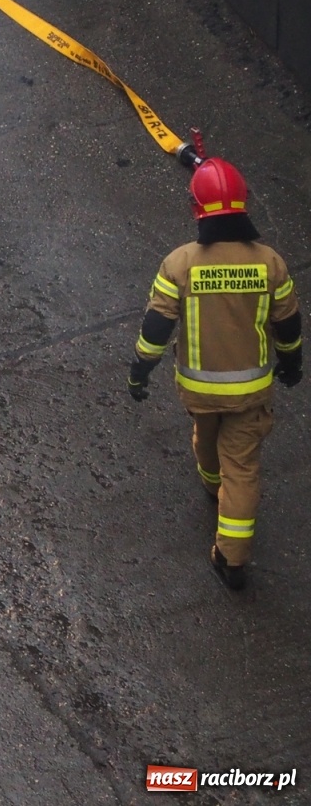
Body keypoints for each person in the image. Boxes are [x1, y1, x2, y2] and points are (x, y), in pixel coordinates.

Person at [128, 157, 301, 590]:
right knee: (241, 468)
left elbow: (156, 328)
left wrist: (139, 372)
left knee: (206, 436)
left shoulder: (180, 263)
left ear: (196, 209)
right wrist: (292, 363)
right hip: (252, 394)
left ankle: (211, 485)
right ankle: (231, 559)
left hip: (199, 391)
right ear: (243, 202)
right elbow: (288, 324)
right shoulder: (269, 262)